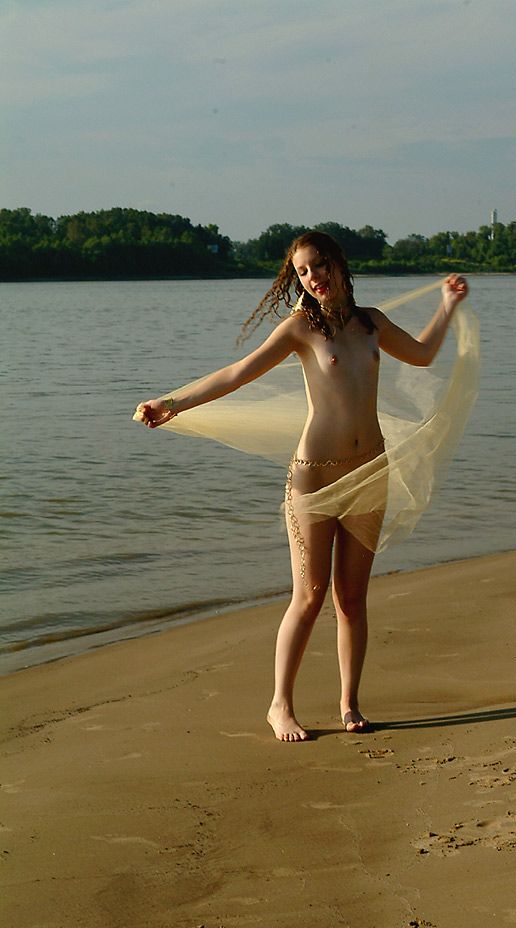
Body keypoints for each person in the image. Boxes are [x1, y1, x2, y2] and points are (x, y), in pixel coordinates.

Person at [136, 232, 469, 742]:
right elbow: (237, 374)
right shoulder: (299, 329)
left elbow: (422, 355)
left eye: (319, 265)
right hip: (314, 476)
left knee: (351, 598)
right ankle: (280, 706)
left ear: (338, 263)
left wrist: (446, 305)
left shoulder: (371, 323)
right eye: (303, 272)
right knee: (310, 596)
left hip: (368, 473)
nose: (313, 278)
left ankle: (349, 702)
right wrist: (172, 403)